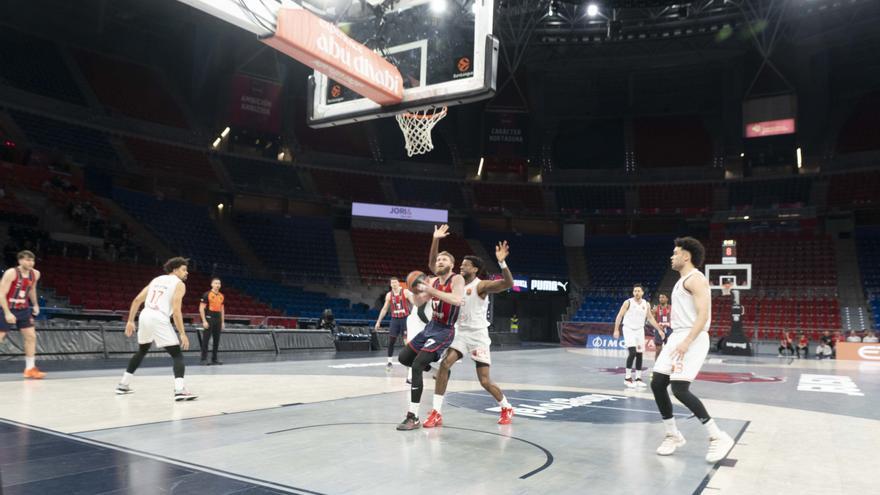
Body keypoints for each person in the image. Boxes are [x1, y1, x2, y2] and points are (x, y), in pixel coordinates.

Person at [651, 237, 734, 463]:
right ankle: (673, 434)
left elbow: (703, 316)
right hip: (677, 336)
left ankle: (718, 437)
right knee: (658, 383)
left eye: (675, 253)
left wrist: (687, 340)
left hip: (692, 337)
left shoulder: (696, 279)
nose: (672, 256)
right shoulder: (680, 281)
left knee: (679, 389)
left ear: (686, 256)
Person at [425, 240, 516, 428]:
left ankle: (506, 407)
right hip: (460, 334)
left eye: (465, 265)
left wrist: (502, 263)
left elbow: (508, 283)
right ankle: (436, 412)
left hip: (478, 336)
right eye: (461, 264)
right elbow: (434, 266)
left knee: (484, 381)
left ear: (474, 269)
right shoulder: (454, 282)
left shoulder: (481, 286)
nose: (461, 267)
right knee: (444, 365)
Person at [396, 224, 464, 431]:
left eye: (445, 259)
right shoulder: (433, 280)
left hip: (445, 330)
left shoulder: (456, 279)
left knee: (416, 366)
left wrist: (432, 290)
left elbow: (456, 300)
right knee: (404, 358)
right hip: (430, 327)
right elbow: (418, 302)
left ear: (452, 265)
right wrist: (416, 292)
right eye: (438, 259)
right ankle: (436, 368)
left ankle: (412, 416)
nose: (440, 261)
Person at [115, 257, 197, 401]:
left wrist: (130, 321)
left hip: (145, 316)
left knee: (142, 350)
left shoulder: (156, 280)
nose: (187, 273)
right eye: (184, 270)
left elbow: (136, 300)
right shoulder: (179, 284)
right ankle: (179, 390)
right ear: (175, 270)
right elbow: (177, 311)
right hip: (159, 317)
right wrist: (182, 333)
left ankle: (123, 384)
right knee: (177, 355)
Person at [0, 250, 45, 379]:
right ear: (20, 261)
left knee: (31, 337)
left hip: (23, 309)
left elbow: (32, 289)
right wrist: (7, 313)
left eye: (32, 260)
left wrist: (35, 304)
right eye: (27, 260)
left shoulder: (35, 274)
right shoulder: (11, 273)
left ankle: (30, 369)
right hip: (6, 308)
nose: (30, 262)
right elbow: (1, 294)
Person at [613, 284, 664, 388]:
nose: (636, 293)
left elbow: (650, 318)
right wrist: (616, 329)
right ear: (633, 292)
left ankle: (638, 378)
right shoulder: (628, 302)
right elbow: (619, 316)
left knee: (640, 354)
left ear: (642, 293)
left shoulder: (646, 304)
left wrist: (659, 329)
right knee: (632, 352)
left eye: (638, 291)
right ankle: (627, 378)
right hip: (628, 329)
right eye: (635, 291)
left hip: (640, 330)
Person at [374, 277, 415, 372]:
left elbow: (414, 304)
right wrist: (378, 321)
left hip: (405, 319)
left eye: (395, 282)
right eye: (392, 283)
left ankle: (409, 362)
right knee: (391, 340)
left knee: (406, 342)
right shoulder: (389, 295)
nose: (394, 284)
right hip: (395, 320)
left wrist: (415, 317)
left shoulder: (405, 292)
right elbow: (384, 309)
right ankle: (389, 362)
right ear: (390, 284)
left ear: (399, 283)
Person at [199, 277, 225, 365]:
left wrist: (222, 322)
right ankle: (203, 359)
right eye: (216, 283)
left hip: (218, 319)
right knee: (206, 340)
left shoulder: (221, 296)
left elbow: (222, 309)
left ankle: (214, 359)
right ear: (212, 284)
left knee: (216, 340)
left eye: (219, 283)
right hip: (209, 317)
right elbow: (201, 308)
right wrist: (204, 321)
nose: (218, 285)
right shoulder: (207, 294)